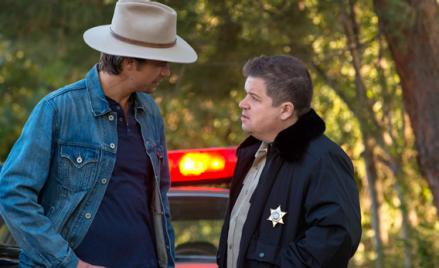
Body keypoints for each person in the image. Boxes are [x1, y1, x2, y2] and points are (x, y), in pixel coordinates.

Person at [0, 1, 197, 267]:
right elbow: (12, 193)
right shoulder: (58, 109)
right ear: (129, 63)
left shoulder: (150, 112)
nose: (166, 72)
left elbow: (159, 203)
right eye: (160, 63)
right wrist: (70, 263)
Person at [217, 55, 361, 267]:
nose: (242, 103)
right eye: (245, 95)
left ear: (285, 110)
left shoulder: (323, 160)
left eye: (254, 98)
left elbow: (334, 239)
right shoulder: (253, 155)